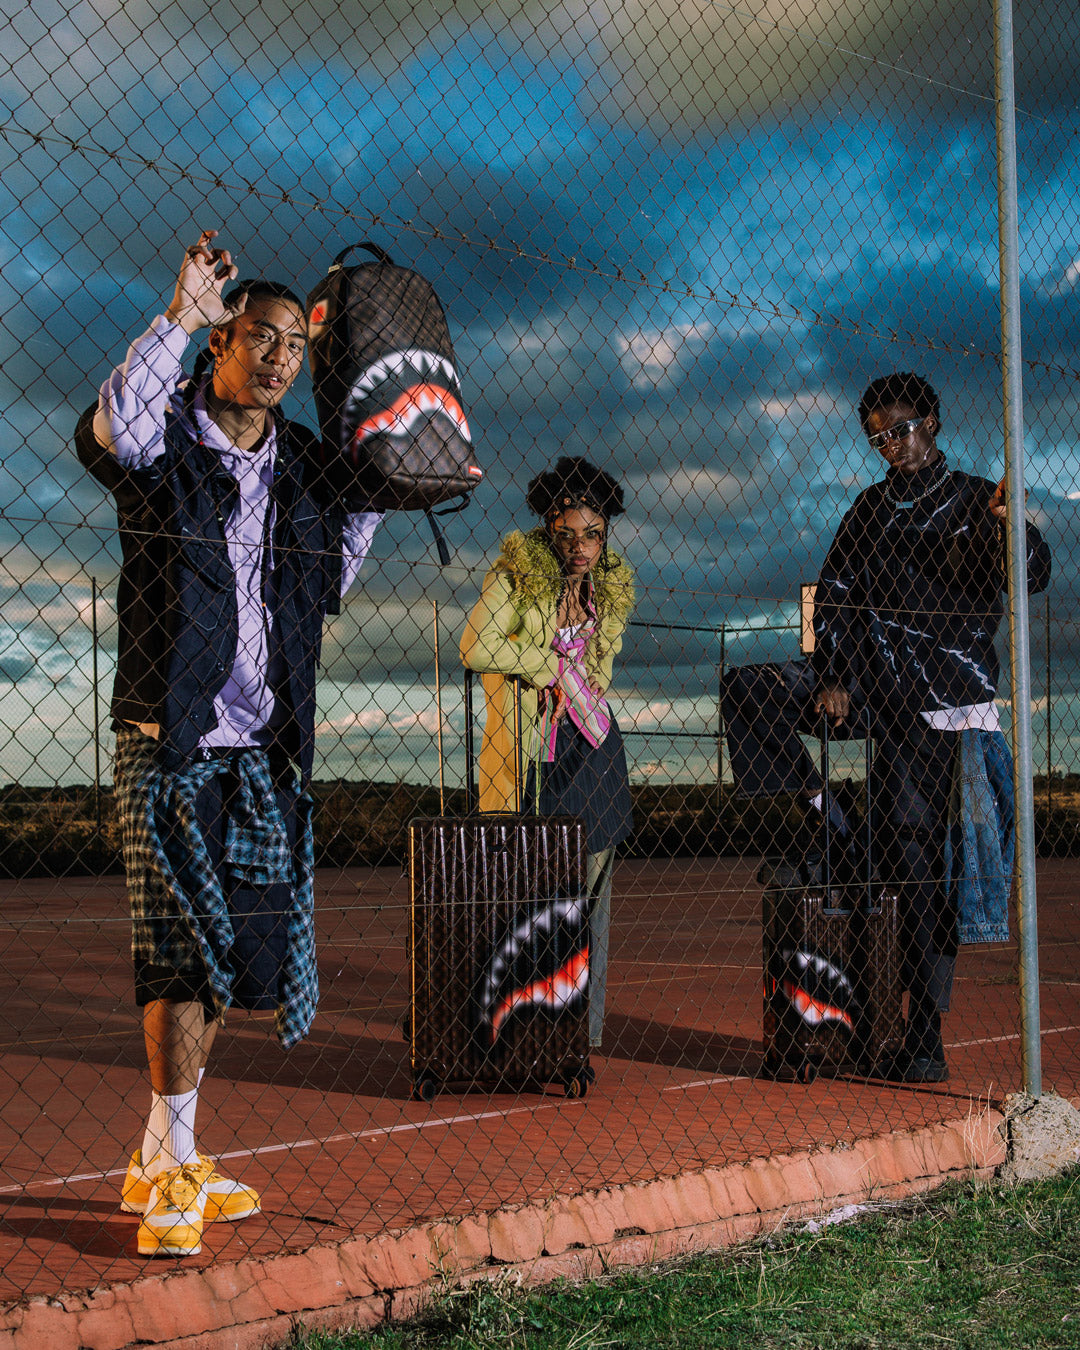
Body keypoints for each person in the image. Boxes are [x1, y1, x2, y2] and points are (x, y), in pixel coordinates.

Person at [75, 231, 382, 1257]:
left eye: (296, 343)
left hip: (260, 748)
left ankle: (161, 1156)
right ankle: (170, 1172)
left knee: (231, 961)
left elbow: (329, 582)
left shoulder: (304, 463)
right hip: (170, 737)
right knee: (178, 954)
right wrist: (181, 315)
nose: (281, 356)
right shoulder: (168, 433)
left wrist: (374, 496)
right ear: (224, 343)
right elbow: (113, 429)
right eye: (261, 335)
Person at [723, 373, 1051, 1083]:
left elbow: (1030, 576)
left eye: (900, 430)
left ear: (931, 422)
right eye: (877, 439)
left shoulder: (975, 500)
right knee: (749, 690)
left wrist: (1009, 524)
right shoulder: (867, 509)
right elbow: (833, 597)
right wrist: (836, 672)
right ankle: (827, 810)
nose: (891, 447)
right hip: (869, 686)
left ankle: (924, 1034)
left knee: (918, 866)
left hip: (939, 706)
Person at [460, 457, 635, 1051]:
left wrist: (583, 679)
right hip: (532, 752)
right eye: (567, 534)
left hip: (595, 747)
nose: (581, 547)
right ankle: (513, 1024)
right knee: (525, 892)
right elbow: (476, 644)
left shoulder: (609, 585)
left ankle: (581, 1032)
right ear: (547, 529)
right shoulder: (518, 574)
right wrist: (548, 667)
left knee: (590, 896)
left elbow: (601, 666)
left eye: (594, 534)